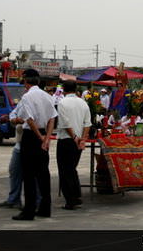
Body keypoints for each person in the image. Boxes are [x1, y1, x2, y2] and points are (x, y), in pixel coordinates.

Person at [12, 69, 57, 220]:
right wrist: (47, 138)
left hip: (32, 137)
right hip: (44, 134)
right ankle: (45, 208)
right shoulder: (48, 96)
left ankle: (29, 211)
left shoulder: (27, 97)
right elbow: (52, 119)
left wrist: (39, 137)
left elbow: (29, 120)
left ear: (26, 81)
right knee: (43, 174)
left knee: (29, 175)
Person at [56, 80, 92, 210]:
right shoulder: (83, 103)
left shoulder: (62, 103)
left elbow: (65, 124)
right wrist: (83, 139)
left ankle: (70, 200)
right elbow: (87, 123)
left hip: (67, 140)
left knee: (65, 170)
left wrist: (75, 137)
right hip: (79, 140)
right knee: (72, 168)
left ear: (64, 90)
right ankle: (76, 196)